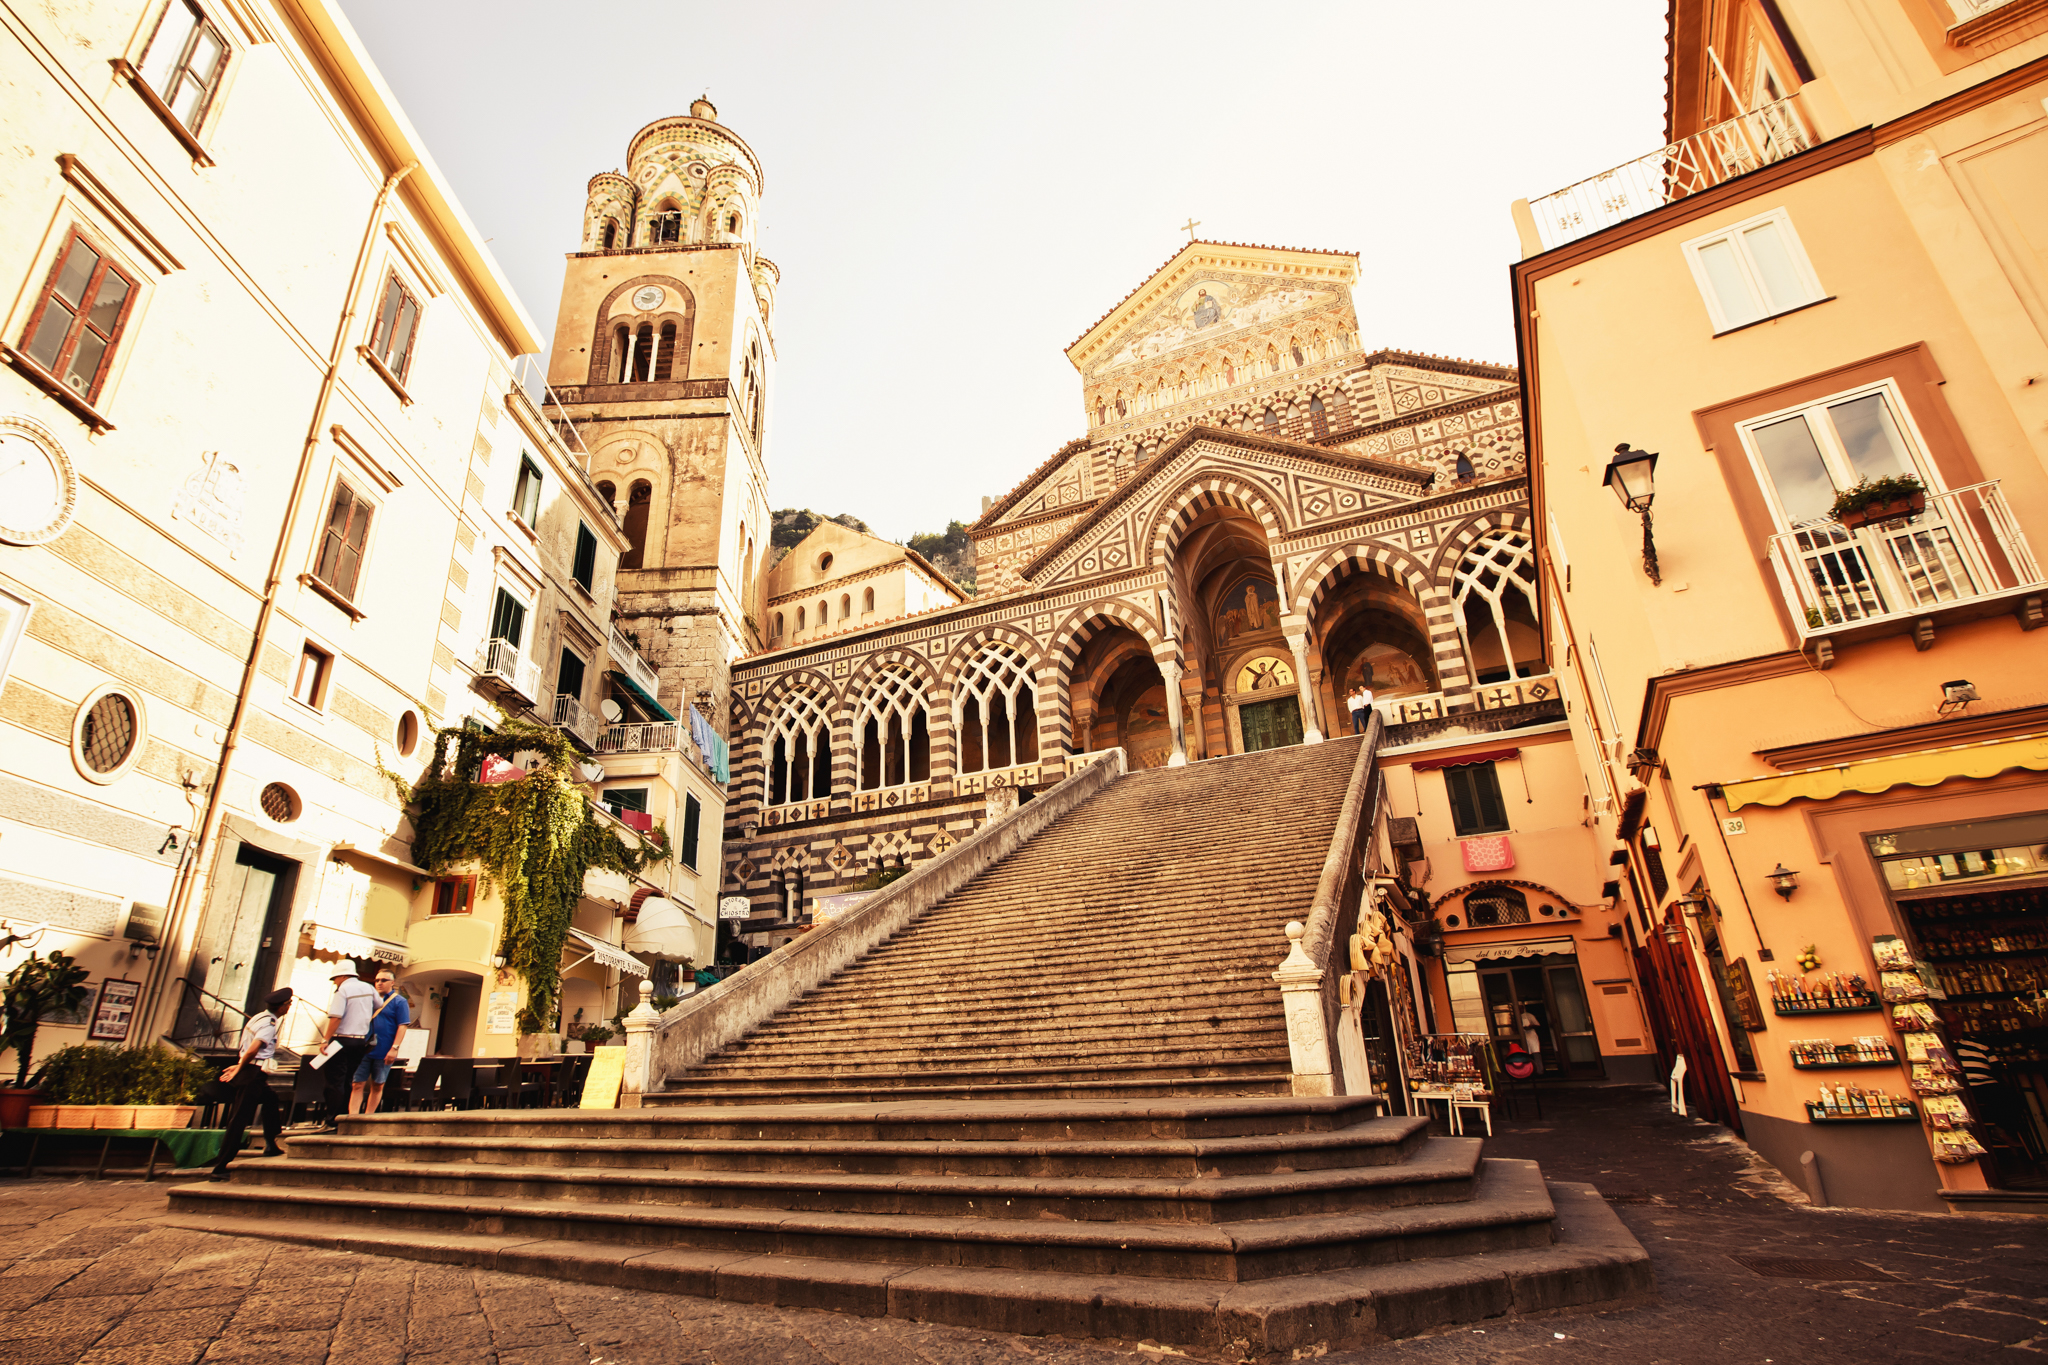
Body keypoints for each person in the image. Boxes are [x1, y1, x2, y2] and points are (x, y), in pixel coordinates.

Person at [211, 987, 292, 1181]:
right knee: (239, 1119)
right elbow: (253, 1049)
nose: (289, 1006)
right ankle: (220, 1167)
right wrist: (239, 1067)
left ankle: (271, 1143)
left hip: (254, 1072)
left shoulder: (258, 1017)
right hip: (252, 1073)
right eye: (288, 1004)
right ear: (281, 1007)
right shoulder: (269, 1025)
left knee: (271, 1099)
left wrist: (240, 1065)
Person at [320, 961, 377, 1128]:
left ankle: (332, 1120)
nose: (334, 983)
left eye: (335, 979)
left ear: (343, 976)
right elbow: (379, 1005)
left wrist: (325, 1039)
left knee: (334, 1081)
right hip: (359, 1041)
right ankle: (344, 1118)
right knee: (347, 1079)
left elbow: (336, 1017)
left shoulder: (343, 990)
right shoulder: (369, 988)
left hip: (341, 1039)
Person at [349, 969, 412, 1115]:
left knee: (378, 1085)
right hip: (364, 1048)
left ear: (392, 982)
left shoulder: (399, 1002)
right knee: (357, 1084)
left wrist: (394, 1048)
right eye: (377, 980)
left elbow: (402, 1026)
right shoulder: (369, 999)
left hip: (384, 1050)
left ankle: (368, 1116)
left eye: (383, 980)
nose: (379, 983)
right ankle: (353, 1117)